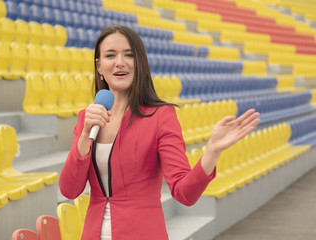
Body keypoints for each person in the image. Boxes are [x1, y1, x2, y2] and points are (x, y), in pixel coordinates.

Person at [59, 24, 260, 240]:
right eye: (110, 55)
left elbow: (185, 193)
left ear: (140, 63)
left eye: (129, 55)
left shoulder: (160, 116)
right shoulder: (86, 119)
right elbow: (70, 190)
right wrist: (84, 138)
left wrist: (212, 151)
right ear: (99, 67)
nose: (120, 62)